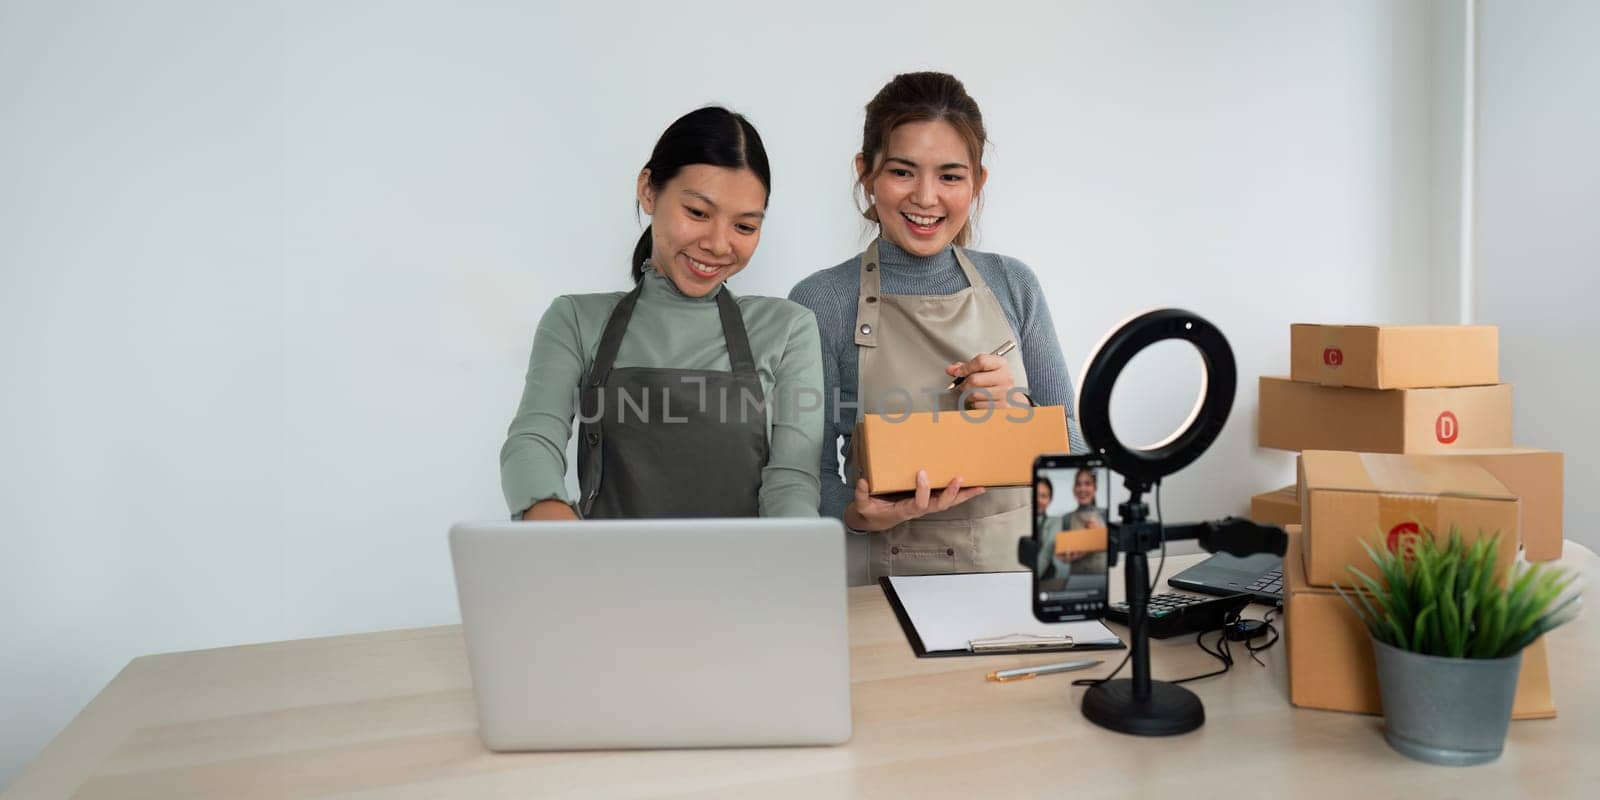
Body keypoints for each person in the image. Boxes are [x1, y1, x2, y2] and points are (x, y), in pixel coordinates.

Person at [789, 72, 1086, 582]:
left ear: (977, 182)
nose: (926, 198)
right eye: (903, 172)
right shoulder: (822, 301)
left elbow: (1078, 455)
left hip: (1024, 577)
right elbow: (805, 474)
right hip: (886, 583)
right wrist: (854, 516)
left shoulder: (1015, 285)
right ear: (866, 173)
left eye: (950, 176)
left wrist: (1021, 411)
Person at [501, 107, 824, 520]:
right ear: (649, 190)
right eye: (698, 213)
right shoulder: (576, 320)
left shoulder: (788, 328)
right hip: (607, 576)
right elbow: (533, 440)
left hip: (744, 576)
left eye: (744, 227)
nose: (718, 244)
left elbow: (791, 480)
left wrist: (793, 557)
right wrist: (554, 525)